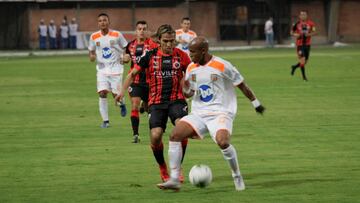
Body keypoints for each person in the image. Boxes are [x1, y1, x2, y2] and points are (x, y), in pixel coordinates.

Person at [157, 37, 266, 191]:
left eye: (193, 52)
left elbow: (242, 85)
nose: (190, 55)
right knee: (175, 135)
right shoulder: (191, 68)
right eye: (189, 51)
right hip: (199, 113)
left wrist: (256, 103)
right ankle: (174, 179)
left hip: (221, 112)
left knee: (223, 142)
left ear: (204, 51)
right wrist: (186, 88)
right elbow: (189, 94)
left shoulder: (223, 65)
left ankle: (236, 175)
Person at [116, 24, 190, 182]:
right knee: (156, 136)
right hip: (156, 101)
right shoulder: (149, 56)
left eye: (172, 41)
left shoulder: (182, 56)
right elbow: (132, 73)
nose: (169, 44)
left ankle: (177, 168)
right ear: (159, 40)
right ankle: (163, 167)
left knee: (182, 129)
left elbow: (193, 72)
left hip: (176, 99)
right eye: (166, 41)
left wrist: (191, 87)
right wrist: (122, 92)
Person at [88, 13, 128, 128]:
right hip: (102, 70)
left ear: (109, 22)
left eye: (104, 20)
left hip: (116, 69)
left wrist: (125, 56)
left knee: (116, 94)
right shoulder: (94, 36)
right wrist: (91, 56)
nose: (102, 22)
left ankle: (122, 103)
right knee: (102, 93)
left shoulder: (117, 35)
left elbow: (126, 46)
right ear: (98, 23)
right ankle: (105, 121)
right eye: (100, 21)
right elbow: (91, 50)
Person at [122, 20, 158, 143]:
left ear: (147, 31)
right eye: (139, 29)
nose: (142, 31)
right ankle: (135, 135)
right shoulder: (130, 45)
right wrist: (124, 59)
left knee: (150, 109)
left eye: (144, 29)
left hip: (150, 81)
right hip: (135, 80)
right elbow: (126, 57)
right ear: (136, 31)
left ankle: (153, 128)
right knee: (134, 105)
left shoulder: (152, 45)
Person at [290, 11, 317, 81]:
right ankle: (304, 77)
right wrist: (296, 35)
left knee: (305, 62)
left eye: (304, 15)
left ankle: (294, 67)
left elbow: (314, 32)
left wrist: (308, 35)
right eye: (302, 15)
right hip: (300, 45)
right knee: (302, 61)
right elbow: (291, 32)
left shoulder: (311, 23)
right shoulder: (296, 24)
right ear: (299, 16)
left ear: (306, 16)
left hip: (307, 45)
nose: (303, 16)